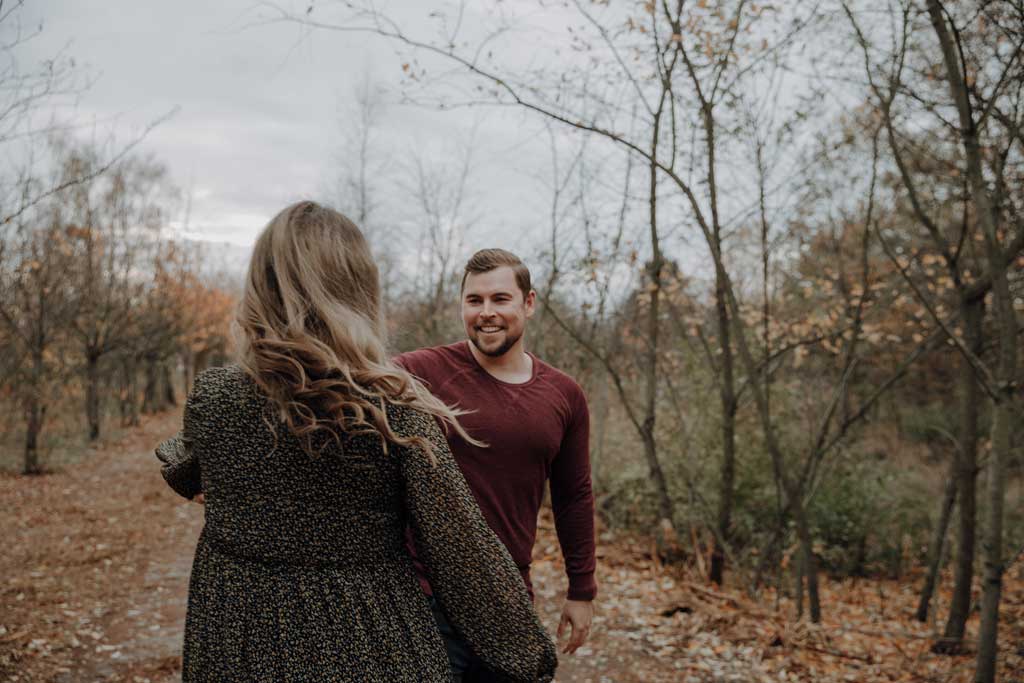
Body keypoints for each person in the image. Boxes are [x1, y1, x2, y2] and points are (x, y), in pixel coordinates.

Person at [154, 202, 557, 683]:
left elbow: (181, 465)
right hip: (371, 645)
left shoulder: (215, 397)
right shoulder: (395, 409)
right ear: (359, 290)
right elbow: (460, 552)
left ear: (261, 288)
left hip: (236, 642)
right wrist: (528, 655)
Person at [395, 249, 596, 681]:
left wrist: (582, 590)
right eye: (475, 301)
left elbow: (573, 495)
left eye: (500, 299)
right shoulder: (419, 372)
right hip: (424, 594)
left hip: (506, 595)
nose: (486, 313)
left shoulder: (564, 395)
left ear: (529, 303)